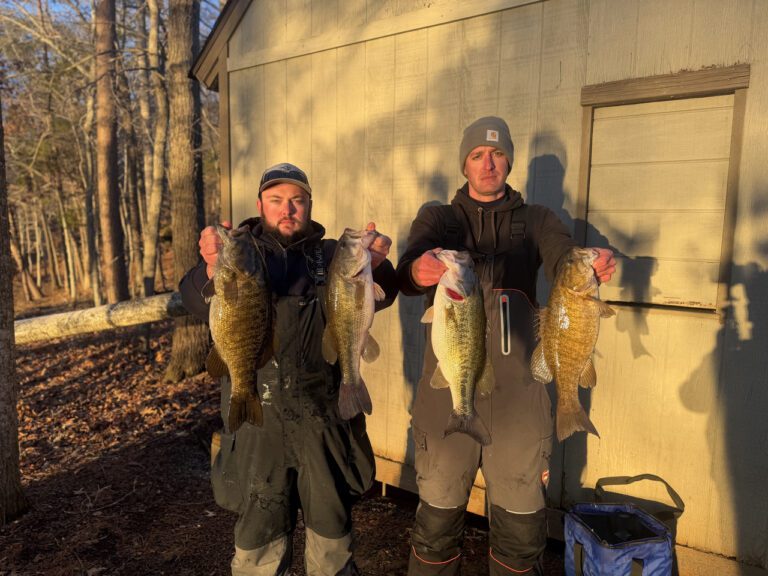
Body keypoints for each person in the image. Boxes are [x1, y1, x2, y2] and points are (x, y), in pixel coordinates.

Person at [396, 117, 616, 575]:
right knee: (436, 528)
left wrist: (587, 266)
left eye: (497, 154)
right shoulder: (439, 219)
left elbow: (561, 256)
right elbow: (408, 270)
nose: (488, 163)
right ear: (465, 163)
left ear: (509, 162)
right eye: (477, 155)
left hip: (519, 398)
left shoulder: (537, 221)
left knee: (520, 536)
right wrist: (417, 271)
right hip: (448, 394)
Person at [180, 162, 398, 576]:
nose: (288, 209)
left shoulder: (331, 255)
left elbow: (381, 296)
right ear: (260, 204)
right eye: (277, 200)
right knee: (258, 547)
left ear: (310, 205)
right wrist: (209, 268)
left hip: (325, 422)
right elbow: (192, 298)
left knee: (332, 543)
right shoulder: (242, 254)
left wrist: (377, 264)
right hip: (258, 426)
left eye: (297, 200)